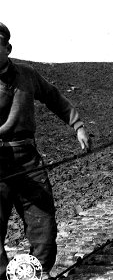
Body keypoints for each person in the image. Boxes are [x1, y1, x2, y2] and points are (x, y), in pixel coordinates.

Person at [0, 22, 91, 280]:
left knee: (44, 227)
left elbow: (54, 97)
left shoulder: (27, 75)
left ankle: (35, 274)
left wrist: (78, 125)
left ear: (8, 48)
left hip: (27, 159)